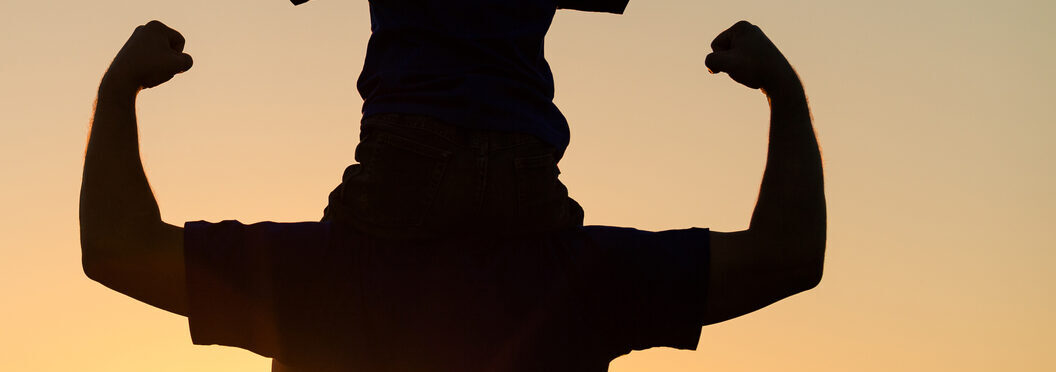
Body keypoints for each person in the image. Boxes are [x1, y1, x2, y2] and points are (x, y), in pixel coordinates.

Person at [78, 19, 824, 372]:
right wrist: (783, 96)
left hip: (482, 163)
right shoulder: (581, 287)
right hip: (436, 157)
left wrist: (118, 94)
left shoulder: (324, 286)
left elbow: (119, 250)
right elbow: (786, 257)